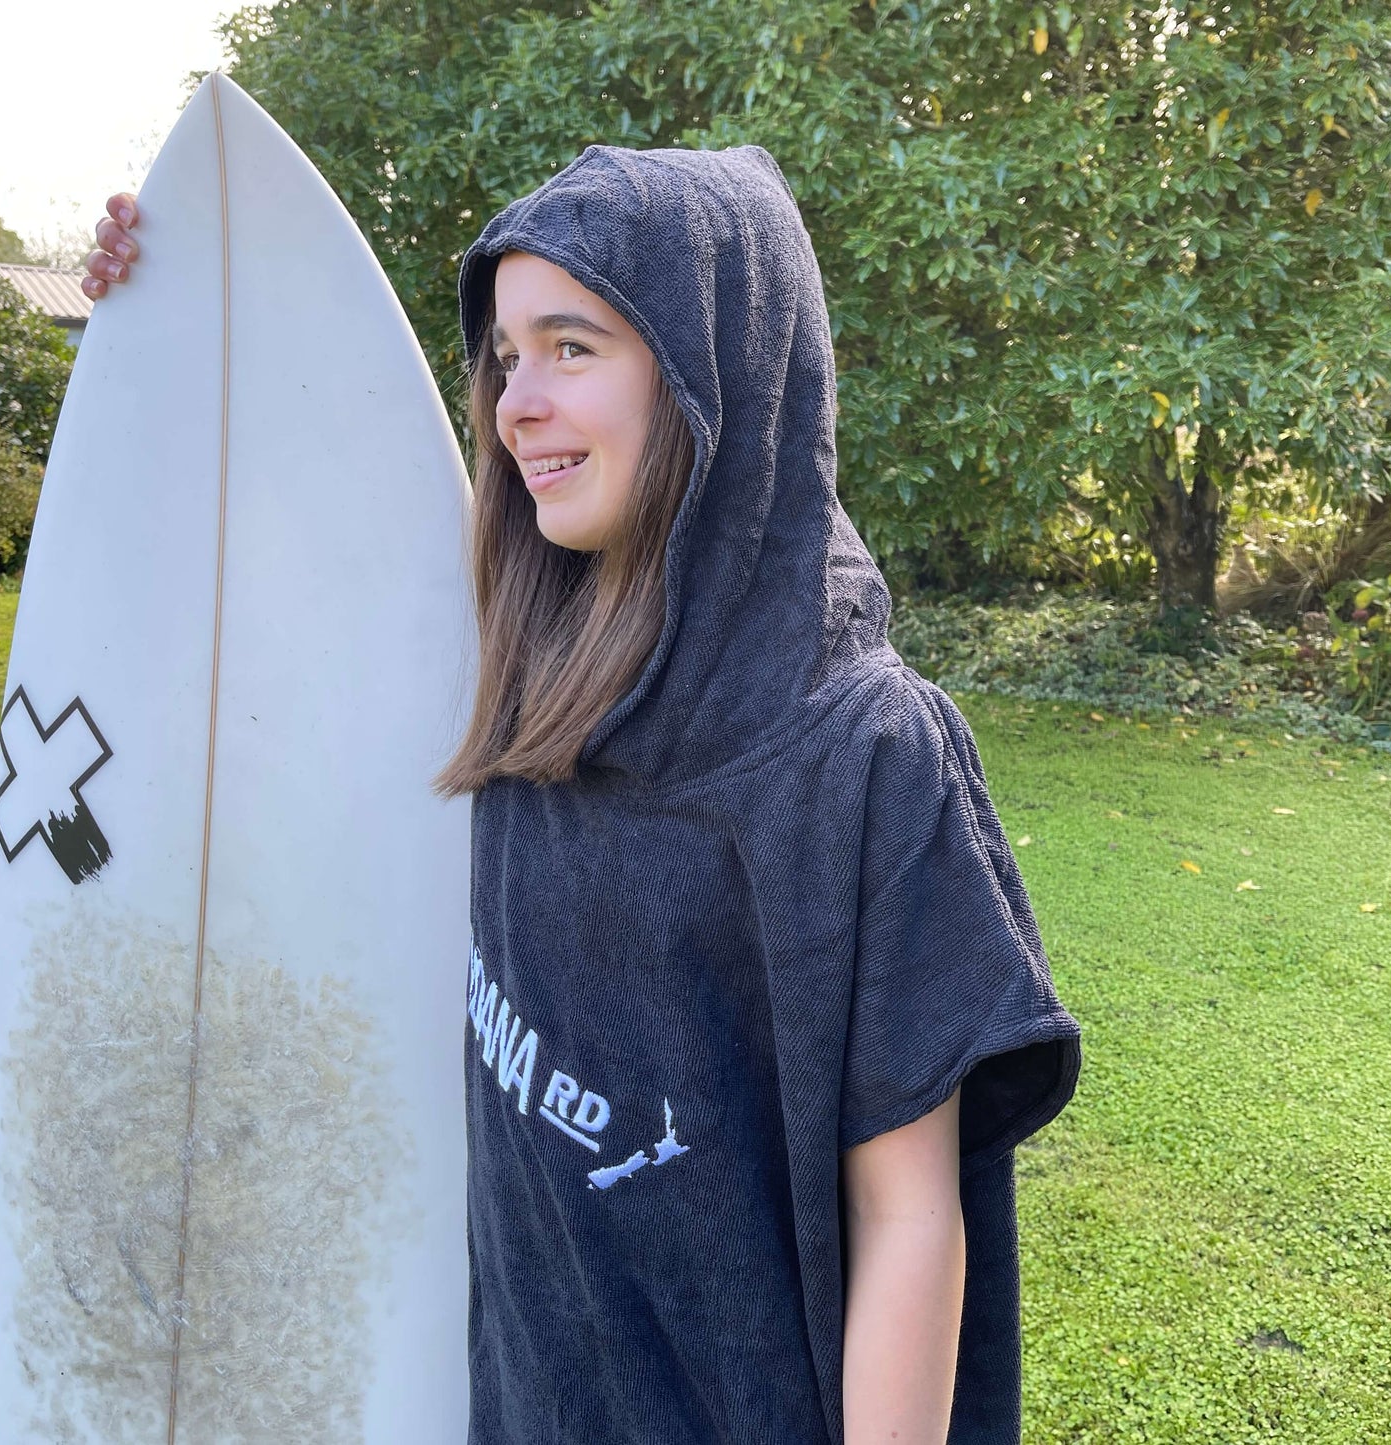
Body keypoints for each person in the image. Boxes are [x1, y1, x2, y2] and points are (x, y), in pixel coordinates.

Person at [84, 142, 1082, 1445]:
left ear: (713, 364)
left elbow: (907, 1216)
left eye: (572, 346)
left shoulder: (859, 753)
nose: (515, 404)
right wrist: (177, 310)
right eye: (505, 357)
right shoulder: (526, 663)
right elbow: (303, 521)